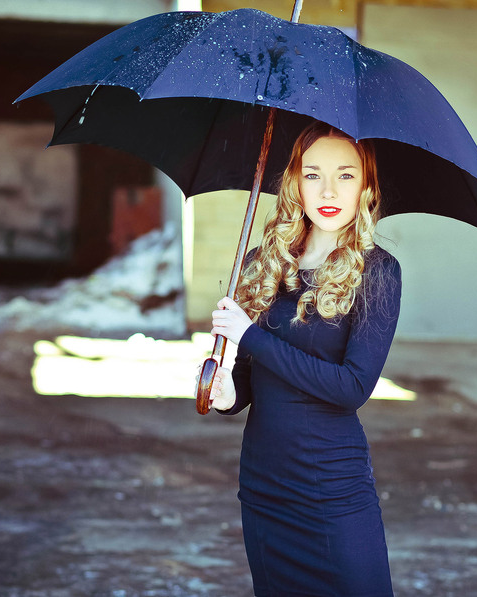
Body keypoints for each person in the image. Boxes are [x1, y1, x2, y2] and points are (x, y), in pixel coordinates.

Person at [206, 120, 402, 596]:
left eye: (346, 175)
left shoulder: (378, 272)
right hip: (265, 483)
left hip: (331, 485)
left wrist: (251, 335)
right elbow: (253, 379)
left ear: (368, 187)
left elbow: (351, 388)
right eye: (313, 174)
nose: (329, 189)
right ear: (294, 181)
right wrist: (227, 391)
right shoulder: (264, 262)